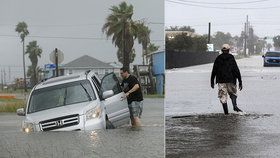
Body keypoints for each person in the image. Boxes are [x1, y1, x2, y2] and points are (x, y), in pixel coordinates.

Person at [210, 44, 243, 115]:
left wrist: (212, 81)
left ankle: (226, 114)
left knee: (223, 96)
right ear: (228, 50)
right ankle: (235, 106)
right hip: (231, 80)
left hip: (221, 81)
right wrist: (240, 81)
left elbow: (214, 70)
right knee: (233, 93)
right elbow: (236, 69)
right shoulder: (231, 57)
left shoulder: (218, 58)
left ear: (222, 50)